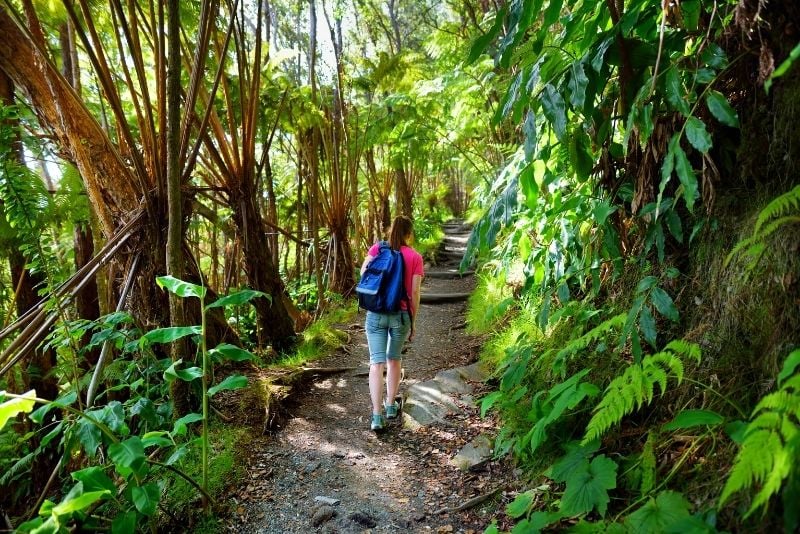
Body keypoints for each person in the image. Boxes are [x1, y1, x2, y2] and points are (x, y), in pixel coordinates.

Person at [360, 215, 424, 431]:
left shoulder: (377, 250)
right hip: (401, 314)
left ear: (390, 231)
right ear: (409, 234)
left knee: (376, 363)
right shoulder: (415, 257)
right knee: (393, 360)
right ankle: (389, 405)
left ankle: (376, 417)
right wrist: (413, 321)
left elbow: (364, 275)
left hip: (376, 313)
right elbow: (414, 292)